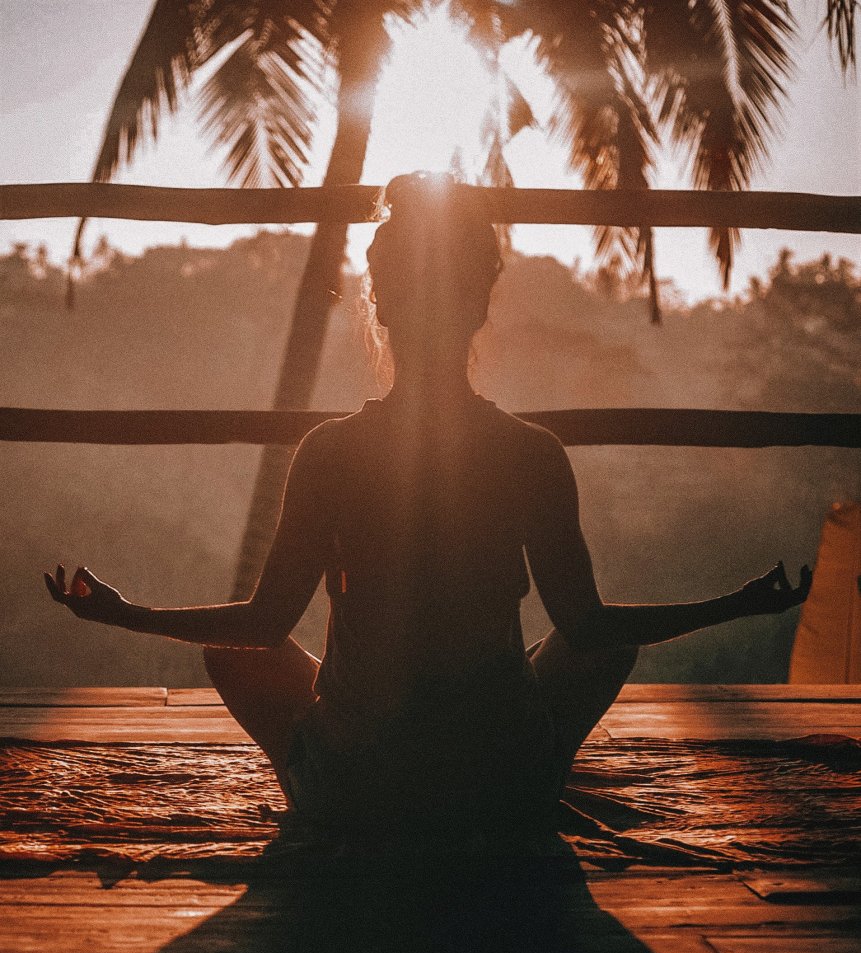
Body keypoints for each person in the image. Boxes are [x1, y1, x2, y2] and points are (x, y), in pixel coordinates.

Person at [44, 172, 812, 839]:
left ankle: (324, 788)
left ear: (380, 307)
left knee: (234, 652)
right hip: (497, 782)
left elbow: (261, 626)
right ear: (479, 308)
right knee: (604, 642)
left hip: (358, 788)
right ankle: (530, 777)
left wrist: (124, 613)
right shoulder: (530, 451)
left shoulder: (331, 451)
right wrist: (734, 604)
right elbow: (588, 627)